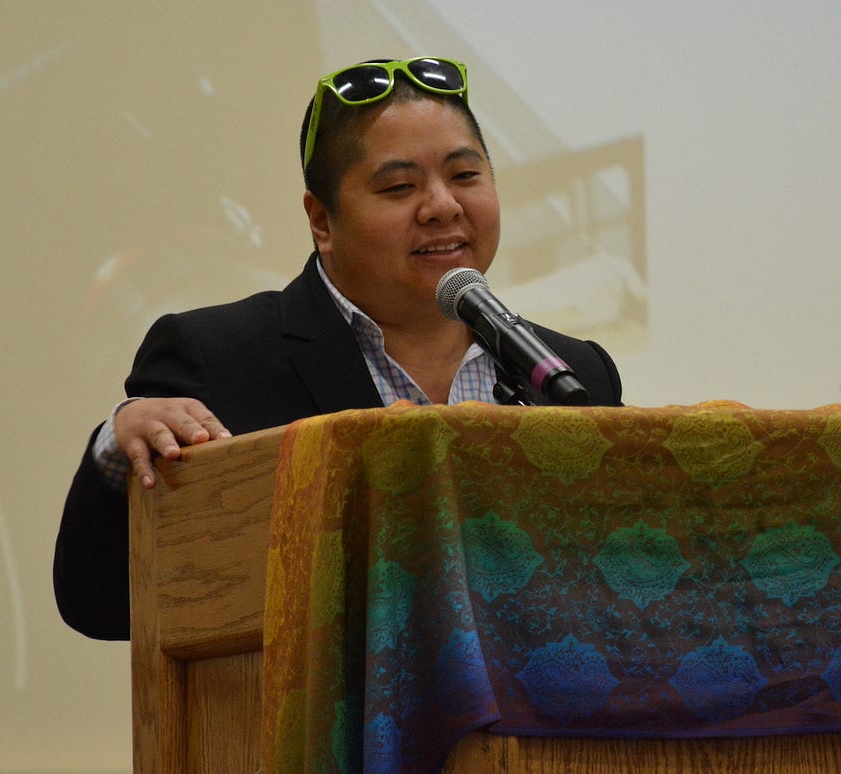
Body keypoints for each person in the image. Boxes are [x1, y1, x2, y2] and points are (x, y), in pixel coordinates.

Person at [54, 57, 625, 641]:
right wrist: (115, 448)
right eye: (400, 187)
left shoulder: (570, 375)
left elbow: (626, 597)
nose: (443, 206)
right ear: (322, 220)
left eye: (465, 176)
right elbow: (101, 605)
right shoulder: (217, 357)